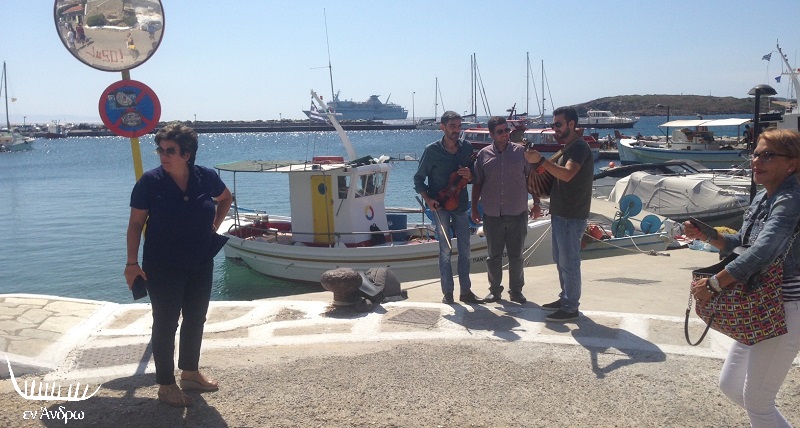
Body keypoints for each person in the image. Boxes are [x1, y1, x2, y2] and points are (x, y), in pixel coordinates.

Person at [685, 128, 800, 427]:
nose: (757, 160)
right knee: (731, 386)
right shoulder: (764, 197)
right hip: (761, 305)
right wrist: (708, 235)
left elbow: (764, 251)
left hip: (785, 308)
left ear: (792, 164)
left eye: (768, 155)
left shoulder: (791, 200)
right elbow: (743, 244)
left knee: (758, 401)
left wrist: (715, 283)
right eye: (756, 153)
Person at [124, 123, 233, 407]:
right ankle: (166, 385)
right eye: (160, 149)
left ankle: (190, 373)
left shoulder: (205, 177)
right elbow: (135, 224)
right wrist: (132, 263)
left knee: (196, 317)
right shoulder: (150, 182)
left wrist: (214, 225)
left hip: (200, 259)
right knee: (165, 322)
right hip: (163, 264)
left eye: (170, 150)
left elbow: (225, 198)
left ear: (187, 154)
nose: (163, 155)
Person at [524, 107, 593, 322]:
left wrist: (541, 161)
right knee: (560, 259)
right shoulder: (568, 148)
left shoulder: (578, 147)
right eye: (553, 124)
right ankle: (566, 298)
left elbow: (568, 174)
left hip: (571, 214)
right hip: (561, 213)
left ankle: (571, 307)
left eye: (558, 124)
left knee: (569, 262)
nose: (555, 129)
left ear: (571, 124)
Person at [414, 110, 483, 305]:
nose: (456, 130)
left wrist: (470, 175)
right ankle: (448, 293)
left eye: (459, 126)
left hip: (460, 205)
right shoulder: (432, 150)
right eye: (452, 126)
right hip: (440, 206)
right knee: (445, 250)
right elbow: (418, 179)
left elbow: (475, 177)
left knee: (465, 250)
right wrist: (428, 200)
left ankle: (466, 292)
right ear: (442, 127)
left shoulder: (466, 148)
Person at [471, 116, 537, 304]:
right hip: (492, 214)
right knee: (493, 257)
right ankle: (494, 291)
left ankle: (516, 291)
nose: (505, 134)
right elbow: (477, 183)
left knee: (517, 256)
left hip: (517, 212)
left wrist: (537, 203)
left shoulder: (521, 152)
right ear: (491, 134)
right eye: (500, 131)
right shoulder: (483, 155)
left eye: (507, 130)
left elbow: (532, 178)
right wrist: (474, 208)